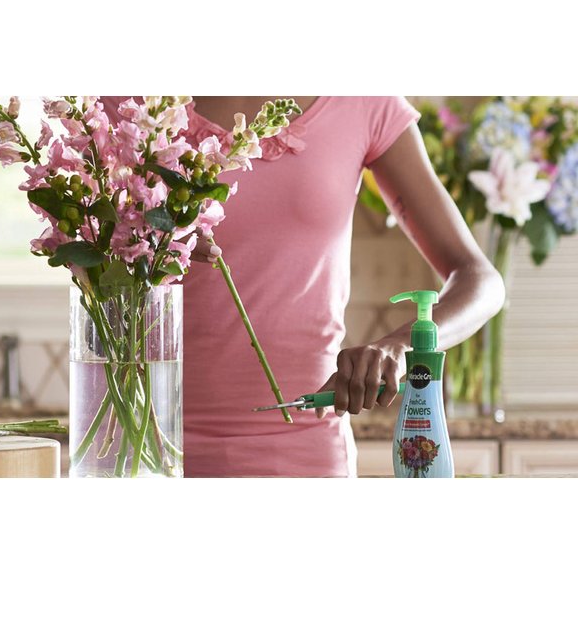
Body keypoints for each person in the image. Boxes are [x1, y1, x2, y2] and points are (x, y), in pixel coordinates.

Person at [105, 97, 505, 477]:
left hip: (307, 452)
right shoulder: (126, 105)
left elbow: (480, 280)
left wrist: (400, 346)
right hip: (141, 447)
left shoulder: (363, 102)